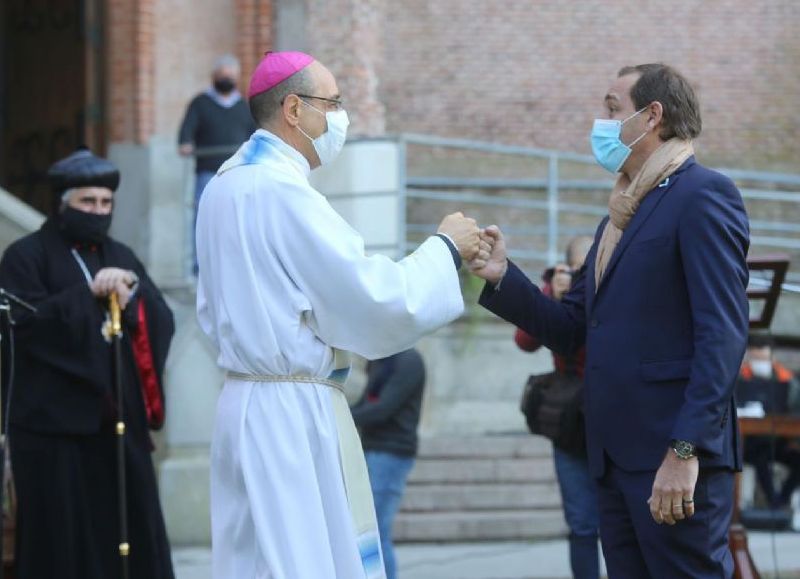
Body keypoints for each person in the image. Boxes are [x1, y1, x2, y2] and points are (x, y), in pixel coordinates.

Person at [196, 51, 485, 579]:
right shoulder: (283, 192)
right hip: (289, 414)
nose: (339, 117)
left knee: (253, 561)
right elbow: (368, 297)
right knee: (305, 562)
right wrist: (444, 248)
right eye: (331, 103)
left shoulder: (222, 185)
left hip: (242, 403)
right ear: (293, 109)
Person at [470, 63, 749, 578]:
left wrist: (685, 449)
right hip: (612, 459)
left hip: (671, 457)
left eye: (613, 109)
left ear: (653, 116)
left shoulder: (703, 195)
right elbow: (572, 327)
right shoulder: (618, 218)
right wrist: (504, 276)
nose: (601, 123)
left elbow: (723, 335)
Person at [0, 148, 175, 578]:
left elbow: (160, 319)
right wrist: (88, 295)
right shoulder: (25, 257)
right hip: (54, 432)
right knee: (63, 544)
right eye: (88, 202)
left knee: (132, 530)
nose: (98, 211)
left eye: (106, 203)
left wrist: (132, 299)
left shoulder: (122, 256)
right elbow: (22, 328)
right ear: (64, 205)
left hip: (118, 427)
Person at [514, 236, 599, 579]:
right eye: (579, 270)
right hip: (570, 425)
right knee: (581, 524)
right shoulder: (559, 295)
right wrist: (553, 296)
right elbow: (524, 341)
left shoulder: (615, 288)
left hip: (615, 418)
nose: (585, 277)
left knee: (623, 522)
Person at [350, 348, 426, 579]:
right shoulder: (381, 358)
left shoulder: (409, 360)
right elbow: (366, 402)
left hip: (392, 454)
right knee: (365, 532)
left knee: (376, 532)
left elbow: (383, 409)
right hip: (371, 448)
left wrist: (341, 417)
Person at [178, 54, 257, 272]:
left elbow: (255, 136)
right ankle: (200, 266)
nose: (226, 80)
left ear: (237, 78)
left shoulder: (243, 107)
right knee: (204, 216)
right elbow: (186, 132)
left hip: (237, 173)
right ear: (213, 76)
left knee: (238, 217)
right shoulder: (200, 103)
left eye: (230, 77)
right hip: (207, 172)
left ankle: (236, 264)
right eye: (222, 76)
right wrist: (185, 143)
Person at [736, 334, 800, 509]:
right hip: (749, 443)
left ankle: (781, 500)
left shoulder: (787, 379)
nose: (759, 362)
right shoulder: (740, 377)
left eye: (762, 358)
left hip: (778, 441)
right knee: (761, 456)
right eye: (755, 358)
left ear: (771, 356)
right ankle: (774, 504)